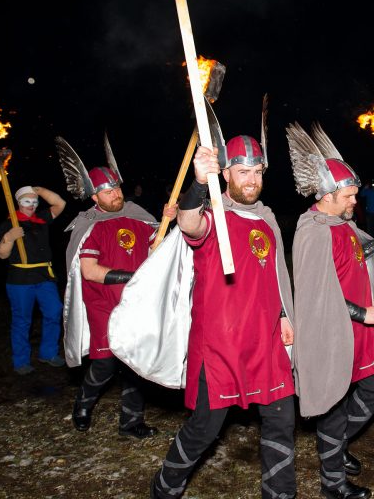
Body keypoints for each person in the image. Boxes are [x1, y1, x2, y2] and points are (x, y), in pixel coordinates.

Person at [150, 134, 297, 499]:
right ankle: (165, 486)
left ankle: (280, 494)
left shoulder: (266, 217)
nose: (252, 180)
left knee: (281, 420)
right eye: (243, 172)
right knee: (205, 426)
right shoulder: (212, 215)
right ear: (226, 173)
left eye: (258, 172)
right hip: (221, 344)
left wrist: (283, 313)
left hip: (266, 340)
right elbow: (189, 225)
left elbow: (273, 274)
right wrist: (200, 183)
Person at [286, 122, 374, 499]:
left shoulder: (340, 224)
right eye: (349, 196)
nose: (355, 202)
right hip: (331, 334)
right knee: (334, 406)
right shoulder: (313, 230)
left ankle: (336, 445)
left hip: (356, 332)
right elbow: (318, 293)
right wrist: (362, 313)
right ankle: (333, 485)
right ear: (329, 194)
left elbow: (352, 259)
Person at [55, 135, 161, 438]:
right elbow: (88, 271)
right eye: (108, 191)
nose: (116, 194)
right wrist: (130, 276)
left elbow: (158, 249)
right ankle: (83, 404)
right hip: (103, 303)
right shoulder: (89, 225)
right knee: (104, 364)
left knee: (135, 364)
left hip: (135, 304)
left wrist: (169, 222)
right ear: (94, 197)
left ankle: (131, 422)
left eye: (117, 188)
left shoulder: (138, 216)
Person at [0, 185, 66, 374]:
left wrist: (39, 190)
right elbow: (2, 254)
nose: (31, 205)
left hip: (44, 276)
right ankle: (21, 361)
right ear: (18, 203)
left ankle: (48, 353)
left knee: (54, 311)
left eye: (35, 201)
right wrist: (9, 238)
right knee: (22, 320)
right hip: (20, 279)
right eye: (27, 201)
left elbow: (60, 203)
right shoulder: (9, 223)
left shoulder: (41, 219)